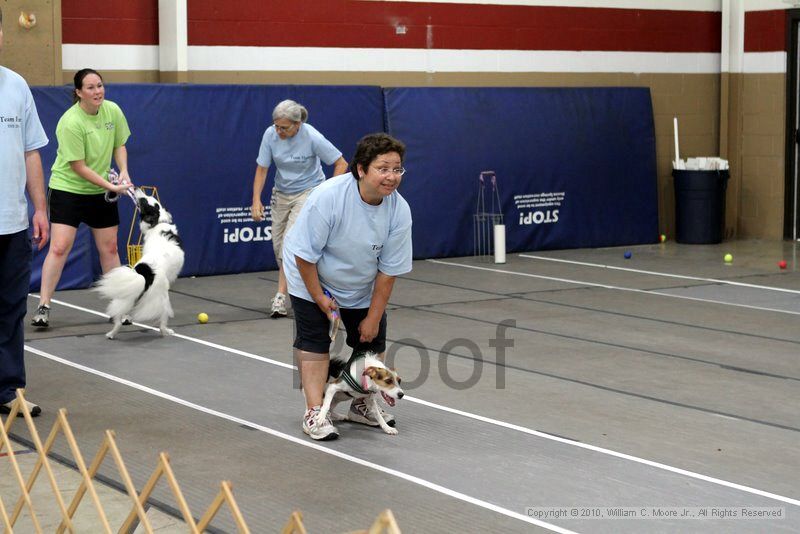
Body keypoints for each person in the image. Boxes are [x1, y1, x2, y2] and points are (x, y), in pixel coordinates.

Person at [282, 133, 412, 440]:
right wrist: (318, 297)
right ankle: (316, 412)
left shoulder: (399, 210)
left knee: (371, 345)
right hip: (311, 277)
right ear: (361, 170)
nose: (391, 176)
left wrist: (372, 317)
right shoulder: (328, 197)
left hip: (360, 283)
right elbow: (304, 255)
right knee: (315, 343)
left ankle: (360, 405)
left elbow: (388, 272)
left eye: (397, 169)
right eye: (383, 168)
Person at [31, 68, 134, 328]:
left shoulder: (113, 111)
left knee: (110, 249)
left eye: (99, 86)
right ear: (78, 93)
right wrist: (111, 187)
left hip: (101, 192)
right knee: (59, 247)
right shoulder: (70, 122)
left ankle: (119, 308)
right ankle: (44, 305)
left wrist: (123, 172)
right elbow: (79, 167)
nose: (97, 91)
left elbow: (119, 144)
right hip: (68, 190)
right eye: (90, 87)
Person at [251, 99, 348, 319]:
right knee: (279, 247)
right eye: (276, 126)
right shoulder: (270, 135)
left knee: (289, 243)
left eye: (284, 127)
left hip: (308, 192)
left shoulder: (312, 136)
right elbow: (262, 169)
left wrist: (325, 192)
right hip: (282, 193)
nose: (279, 131)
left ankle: (281, 296)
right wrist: (256, 199)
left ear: (298, 124)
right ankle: (307, 288)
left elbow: (341, 163)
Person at [0, 6, 48, 416]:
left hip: (13, 224)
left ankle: (8, 390)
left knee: (12, 309)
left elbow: (31, 151)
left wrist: (39, 209)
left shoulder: (16, 86)